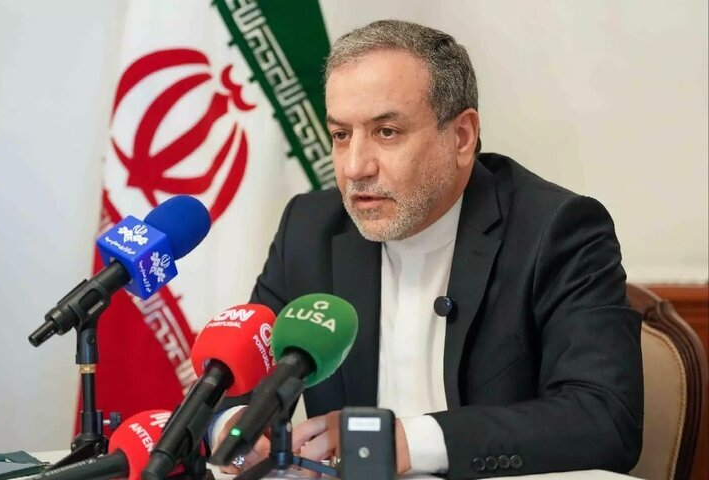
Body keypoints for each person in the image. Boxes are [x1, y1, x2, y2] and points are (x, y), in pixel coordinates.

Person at [211, 19, 643, 479]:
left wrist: (406, 441)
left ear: (462, 137)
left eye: (386, 132)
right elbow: (240, 388)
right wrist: (234, 429)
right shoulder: (309, 228)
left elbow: (605, 420)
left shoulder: (555, 230)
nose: (355, 167)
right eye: (341, 135)